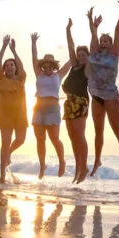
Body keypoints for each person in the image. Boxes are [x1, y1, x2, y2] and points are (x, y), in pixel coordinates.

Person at [86, 0, 119, 179]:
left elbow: (117, 30)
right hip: (96, 96)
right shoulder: (94, 54)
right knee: (98, 131)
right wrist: (93, 24)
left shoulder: (114, 54)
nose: (104, 41)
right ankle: (97, 160)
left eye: (107, 40)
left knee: (116, 129)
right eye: (102, 40)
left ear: (111, 43)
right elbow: (92, 36)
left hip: (111, 96)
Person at [30, 33, 72, 179]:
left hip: (52, 110)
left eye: (50, 65)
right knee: (40, 139)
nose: (47, 66)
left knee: (54, 138)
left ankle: (62, 161)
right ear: (42, 66)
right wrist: (33, 42)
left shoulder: (58, 75)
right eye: (45, 64)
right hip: (38, 109)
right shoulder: (38, 74)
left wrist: (69, 35)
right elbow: (34, 59)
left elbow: (71, 61)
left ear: (53, 66)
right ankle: (42, 166)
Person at [0, 36, 27, 184]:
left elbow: (21, 64)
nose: (9, 67)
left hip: (20, 115)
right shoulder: (1, 79)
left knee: (20, 140)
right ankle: (2, 175)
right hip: (5, 116)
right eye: (7, 65)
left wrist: (14, 51)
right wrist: (3, 47)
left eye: (12, 65)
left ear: (15, 67)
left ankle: (8, 155)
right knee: (5, 143)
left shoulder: (21, 79)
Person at [63, 19, 91, 183]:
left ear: (88, 56)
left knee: (80, 136)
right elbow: (70, 47)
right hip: (69, 103)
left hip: (81, 102)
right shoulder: (74, 66)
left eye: (83, 55)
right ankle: (78, 168)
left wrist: (93, 27)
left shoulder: (88, 67)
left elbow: (92, 50)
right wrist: (68, 30)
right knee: (72, 136)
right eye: (79, 55)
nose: (80, 57)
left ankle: (85, 167)